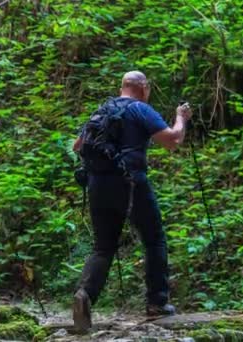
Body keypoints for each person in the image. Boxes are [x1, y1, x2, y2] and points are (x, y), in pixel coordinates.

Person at [71, 71, 193, 330]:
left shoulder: (103, 110)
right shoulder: (140, 109)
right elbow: (172, 140)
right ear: (144, 88)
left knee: (103, 246)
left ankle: (84, 295)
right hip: (130, 183)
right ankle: (157, 303)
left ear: (122, 86)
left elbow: (77, 146)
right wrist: (181, 118)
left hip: (96, 184)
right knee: (154, 239)